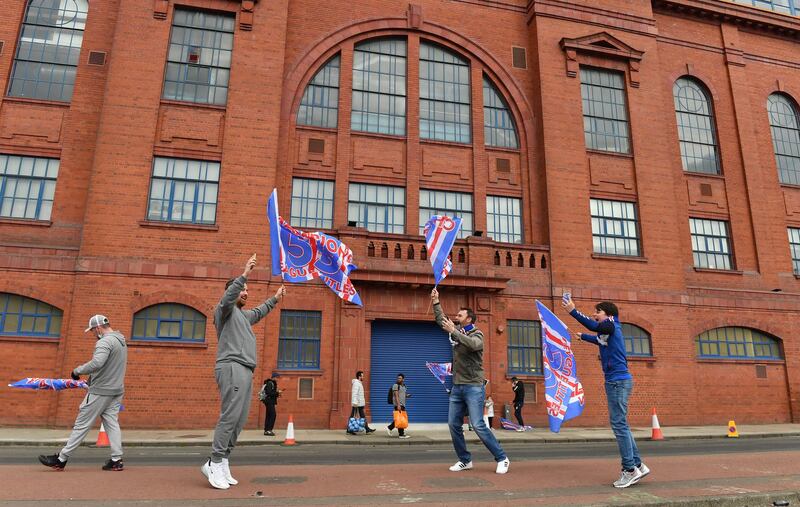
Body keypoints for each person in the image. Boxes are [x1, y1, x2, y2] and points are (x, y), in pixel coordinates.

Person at [202, 254, 286, 490]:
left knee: (239, 420)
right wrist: (244, 274)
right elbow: (228, 297)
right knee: (229, 416)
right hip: (231, 366)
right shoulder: (225, 311)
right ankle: (214, 461)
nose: (245, 293)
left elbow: (259, 312)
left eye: (247, 290)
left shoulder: (242, 316)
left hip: (245, 370)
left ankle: (223, 460)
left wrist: (275, 299)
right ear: (232, 293)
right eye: (242, 290)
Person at [563, 294, 650, 488]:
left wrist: (573, 311)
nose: (594, 314)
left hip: (617, 382)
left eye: (597, 311)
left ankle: (629, 469)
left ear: (609, 314)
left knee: (619, 425)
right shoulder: (609, 331)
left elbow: (597, 327)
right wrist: (583, 337)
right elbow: (599, 339)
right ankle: (638, 465)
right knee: (622, 425)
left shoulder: (611, 323)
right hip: (618, 381)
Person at [432, 288, 510, 474]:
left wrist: (454, 332)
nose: (455, 317)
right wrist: (436, 302)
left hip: (474, 386)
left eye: (460, 315)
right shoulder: (456, 331)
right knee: (453, 424)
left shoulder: (477, 333)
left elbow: (474, 345)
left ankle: (502, 458)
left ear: (468, 319)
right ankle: (465, 460)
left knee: (477, 424)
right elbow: (441, 320)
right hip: (457, 387)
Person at [38, 314, 128, 471]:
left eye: (93, 330)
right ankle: (116, 459)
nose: (93, 333)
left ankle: (61, 459)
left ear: (98, 328)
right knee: (111, 423)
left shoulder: (105, 342)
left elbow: (97, 363)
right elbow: (108, 366)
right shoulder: (121, 341)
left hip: (101, 391)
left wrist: (77, 370)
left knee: (82, 424)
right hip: (116, 389)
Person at [348, 370, 375, 435]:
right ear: (359, 376)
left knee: (361, 416)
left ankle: (367, 429)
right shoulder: (356, 384)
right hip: (357, 404)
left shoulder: (359, 383)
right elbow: (355, 393)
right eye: (362, 376)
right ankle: (349, 430)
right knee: (353, 417)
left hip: (359, 404)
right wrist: (355, 403)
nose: (363, 377)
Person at [386, 373, 410, 439]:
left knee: (400, 419)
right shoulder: (395, 385)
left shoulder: (404, 386)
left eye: (400, 378)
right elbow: (396, 395)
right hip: (398, 405)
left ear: (403, 379)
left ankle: (390, 428)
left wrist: (407, 396)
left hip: (403, 404)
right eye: (398, 378)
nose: (398, 379)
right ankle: (401, 434)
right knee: (400, 419)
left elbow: (402, 394)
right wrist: (398, 405)